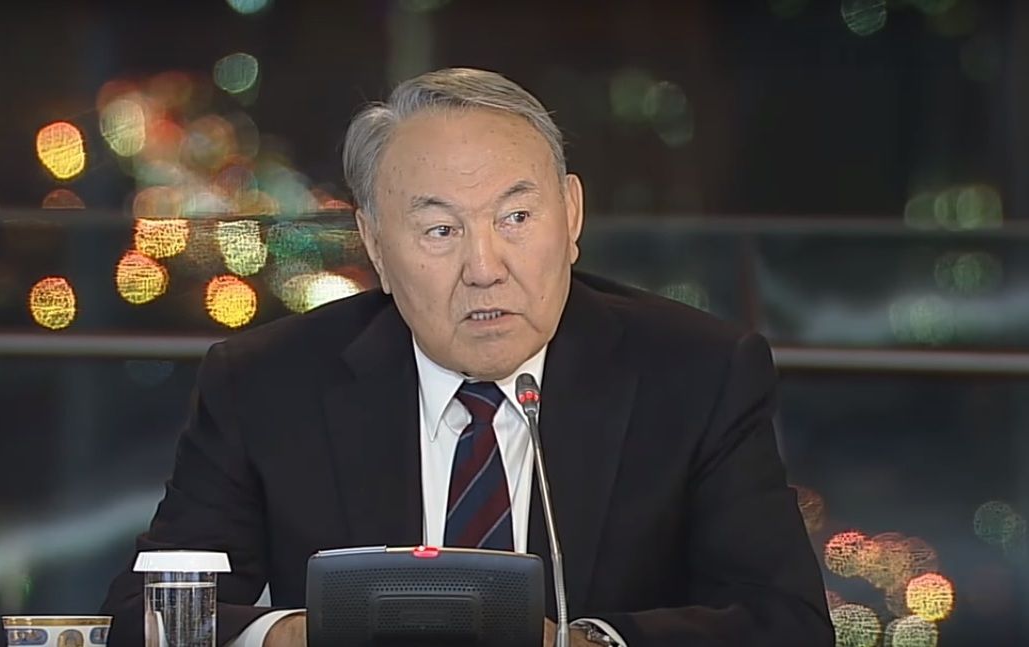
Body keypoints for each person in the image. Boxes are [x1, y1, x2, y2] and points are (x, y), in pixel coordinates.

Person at [101, 67, 834, 647]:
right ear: (375, 245)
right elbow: (144, 613)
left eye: (516, 217)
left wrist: (583, 644)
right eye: (440, 231)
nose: (485, 268)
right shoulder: (268, 381)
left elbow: (785, 623)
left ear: (571, 216)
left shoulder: (697, 373)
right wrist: (301, 634)